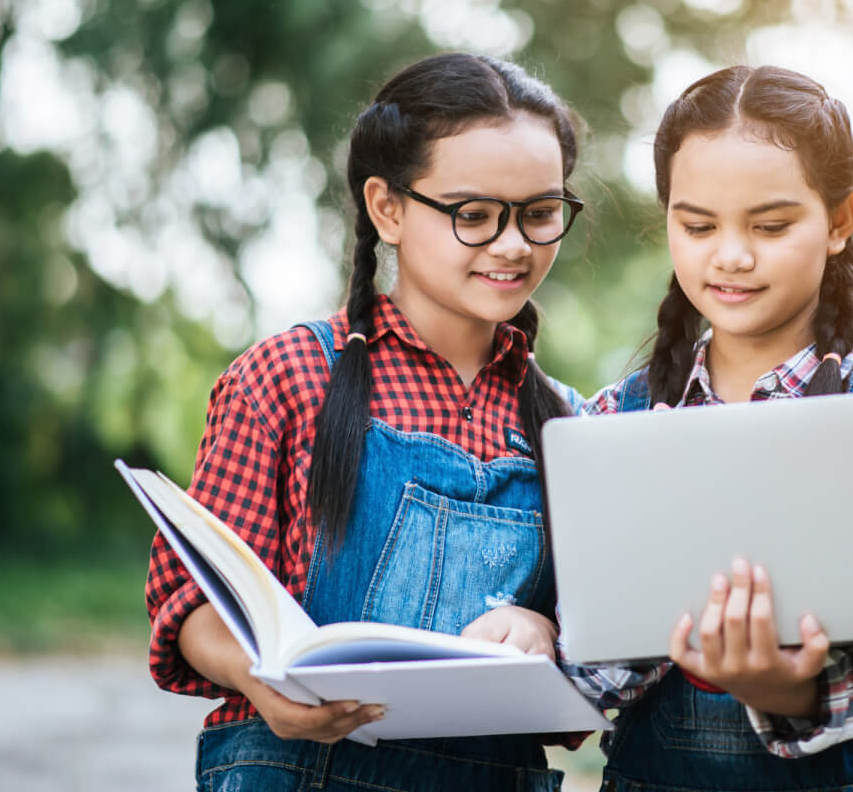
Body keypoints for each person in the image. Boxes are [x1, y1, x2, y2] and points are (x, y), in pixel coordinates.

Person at [144, 52, 589, 792]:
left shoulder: (571, 421)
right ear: (387, 207)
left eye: (540, 214)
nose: (513, 245)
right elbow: (189, 602)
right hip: (296, 766)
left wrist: (547, 636)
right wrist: (258, 679)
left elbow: (594, 661)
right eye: (474, 215)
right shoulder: (285, 377)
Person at [568, 65, 853, 792]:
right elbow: (588, 665)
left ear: (841, 220)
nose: (731, 255)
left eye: (771, 225)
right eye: (697, 225)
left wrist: (782, 688)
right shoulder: (611, 423)